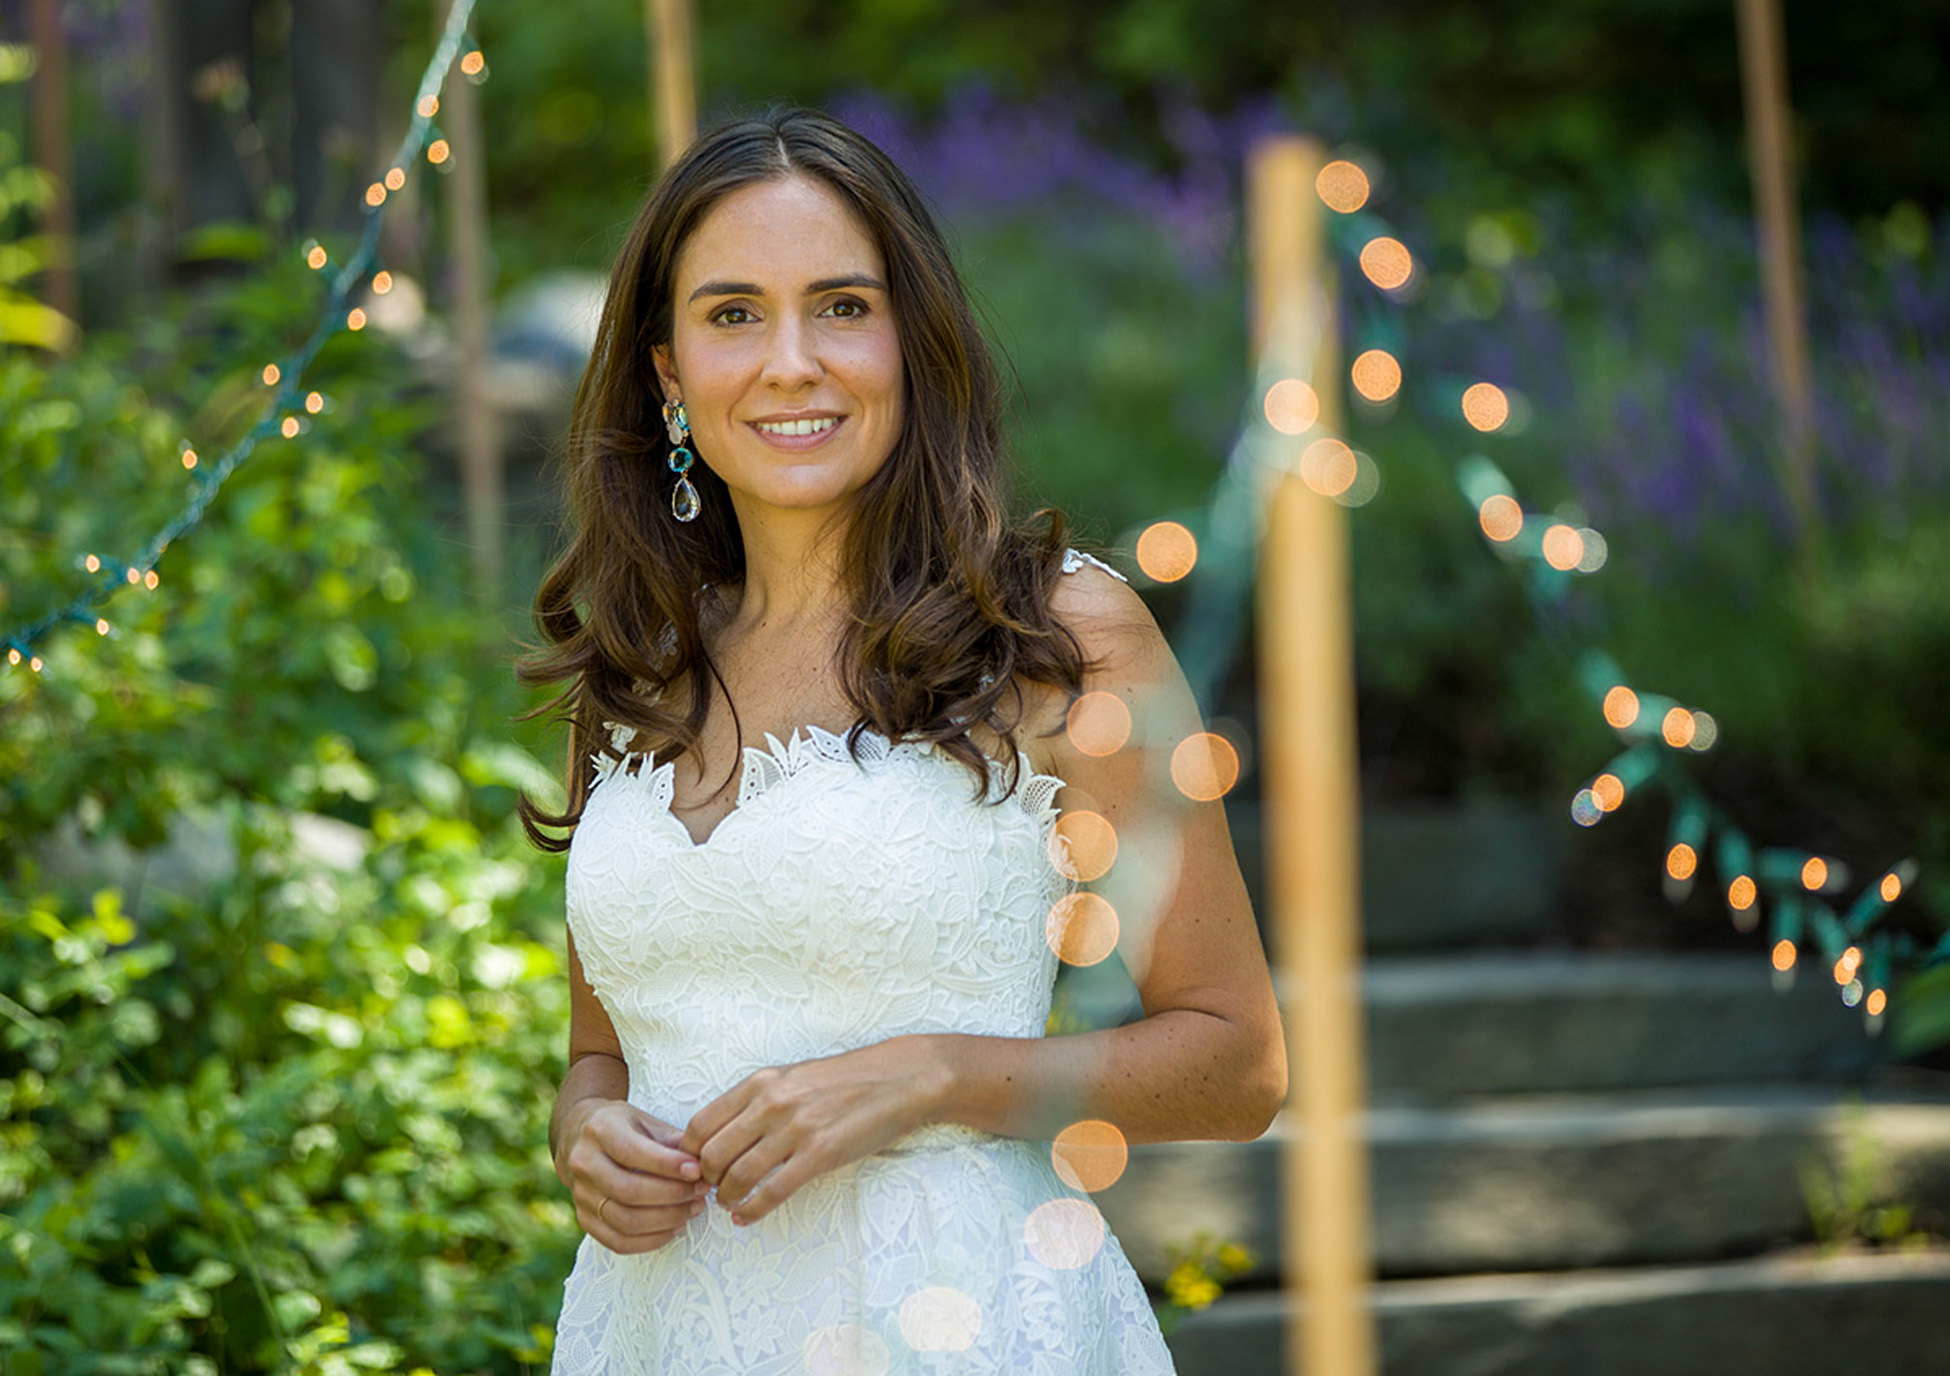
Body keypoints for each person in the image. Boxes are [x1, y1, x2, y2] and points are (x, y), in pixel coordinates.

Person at [518, 105, 1285, 1374]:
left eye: (841, 306)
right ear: (667, 372)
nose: (790, 361)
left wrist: (932, 1075)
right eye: (731, 314)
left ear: (912, 341)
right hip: (662, 1327)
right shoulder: (643, 661)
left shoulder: (1059, 633)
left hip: (961, 1321)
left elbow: (1237, 1062)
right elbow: (603, 1053)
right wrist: (584, 1133)